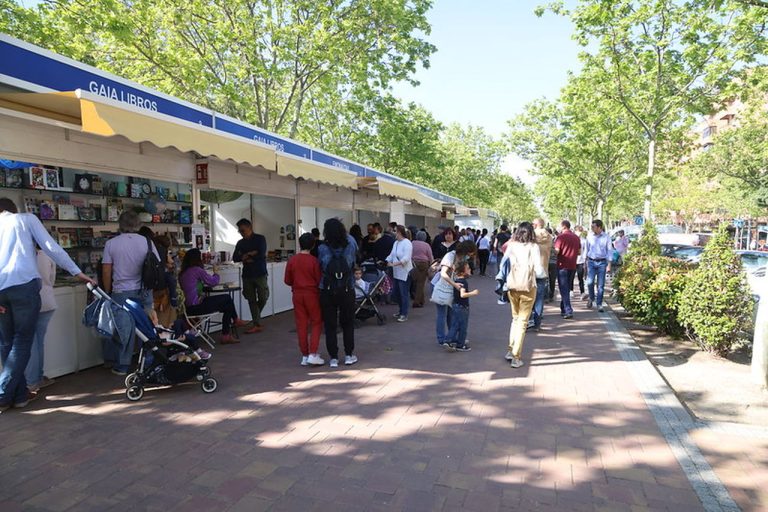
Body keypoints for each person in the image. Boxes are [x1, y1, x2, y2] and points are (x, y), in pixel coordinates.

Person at [0, 198, 95, 412]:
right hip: (24, 286)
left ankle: (20, 394)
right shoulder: (25, 219)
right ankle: (3, 393)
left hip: (1, 290)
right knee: (22, 342)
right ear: (13, 210)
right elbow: (51, 247)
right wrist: (78, 273)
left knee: (6, 343)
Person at [102, 210, 160, 375]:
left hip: (121, 291)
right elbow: (156, 266)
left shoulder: (111, 244)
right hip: (145, 289)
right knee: (147, 326)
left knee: (124, 330)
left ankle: (122, 365)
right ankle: (148, 362)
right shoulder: (147, 242)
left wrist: (108, 291)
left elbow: (106, 270)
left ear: (120, 224)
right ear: (138, 224)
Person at [179, 248, 246, 344]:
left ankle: (229, 331)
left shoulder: (183, 273)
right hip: (196, 306)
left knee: (227, 305)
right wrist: (216, 273)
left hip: (188, 308)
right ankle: (232, 324)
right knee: (227, 299)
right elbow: (213, 282)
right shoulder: (196, 270)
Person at [503, 222, 547, 369]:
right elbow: (538, 269)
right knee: (522, 322)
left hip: (512, 285)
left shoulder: (512, 245)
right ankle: (516, 356)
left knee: (514, 320)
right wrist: (543, 275)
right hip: (528, 286)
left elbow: (505, 262)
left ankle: (510, 350)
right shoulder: (533, 247)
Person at [318, 218, 358, 368]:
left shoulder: (322, 247)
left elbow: (320, 265)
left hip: (327, 290)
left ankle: (333, 358)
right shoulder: (350, 244)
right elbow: (354, 261)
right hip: (347, 288)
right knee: (348, 323)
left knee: (330, 325)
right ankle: (349, 355)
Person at [285, 233, 324, 367]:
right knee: (316, 322)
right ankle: (313, 353)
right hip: (311, 293)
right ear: (313, 245)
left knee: (301, 324)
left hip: (297, 293)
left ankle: (305, 355)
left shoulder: (292, 260)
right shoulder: (314, 261)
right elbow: (319, 280)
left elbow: (287, 280)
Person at [24, 249, 57, 392]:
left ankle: (31, 382)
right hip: (48, 300)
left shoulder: (21, 254)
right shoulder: (47, 254)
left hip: (29, 302)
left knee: (31, 343)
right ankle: (38, 377)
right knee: (38, 342)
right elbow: (52, 278)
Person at [434, 241, 476, 346]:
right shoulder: (450, 256)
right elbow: (443, 273)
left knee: (451, 315)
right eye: (469, 254)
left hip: (452, 289)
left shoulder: (461, 258)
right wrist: (455, 284)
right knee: (442, 315)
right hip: (443, 288)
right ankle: (442, 339)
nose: (470, 256)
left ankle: (451, 337)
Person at [233, 218, 269, 334]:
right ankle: (256, 323)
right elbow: (235, 258)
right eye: (240, 231)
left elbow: (261, 254)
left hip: (260, 273)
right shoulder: (240, 243)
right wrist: (251, 254)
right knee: (251, 299)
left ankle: (256, 319)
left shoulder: (260, 239)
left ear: (250, 228)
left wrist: (246, 255)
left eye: (243, 230)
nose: (241, 233)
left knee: (263, 296)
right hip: (247, 274)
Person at [443, 260, 479, 352]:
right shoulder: (463, 282)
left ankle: (448, 340)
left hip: (455, 305)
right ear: (463, 272)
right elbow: (463, 295)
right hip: (463, 307)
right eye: (467, 268)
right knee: (463, 326)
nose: (469, 269)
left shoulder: (456, 280)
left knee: (455, 324)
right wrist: (473, 293)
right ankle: (460, 344)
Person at [554, 220, 581, 319]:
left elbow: (556, 251)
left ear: (563, 227)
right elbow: (579, 252)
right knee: (567, 287)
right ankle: (563, 308)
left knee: (563, 289)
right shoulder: (576, 237)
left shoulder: (560, 237)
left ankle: (568, 310)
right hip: (572, 265)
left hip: (562, 265)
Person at [386, 225, 414, 322]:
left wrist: (393, 264)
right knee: (396, 293)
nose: (394, 233)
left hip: (405, 272)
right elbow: (392, 254)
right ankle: (401, 310)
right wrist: (386, 260)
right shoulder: (396, 243)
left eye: (395, 231)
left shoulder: (407, 243)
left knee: (403, 293)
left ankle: (404, 313)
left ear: (399, 232)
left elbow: (406, 258)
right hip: (396, 272)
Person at [585, 219, 613, 312]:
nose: (592, 228)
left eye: (593, 227)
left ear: (599, 227)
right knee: (590, 282)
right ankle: (591, 297)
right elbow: (587, 249)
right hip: (591, 262)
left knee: (600, 285)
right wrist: (585, 261)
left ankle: (599, 303)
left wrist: (609, 264)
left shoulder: (606, 237)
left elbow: (609, 251)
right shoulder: (589, 236)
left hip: (602, 262)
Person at [532, 218, 553, 331]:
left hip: (531, 270)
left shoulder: (531, 237)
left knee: (529, 296)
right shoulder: (549, 237)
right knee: (539, 298)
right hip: (543, 270)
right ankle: (537, 323)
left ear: (536, 225)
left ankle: (529, 320)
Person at [410, 231, 433, 308]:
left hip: (414, 263)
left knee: (416, 282)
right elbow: (430, 256)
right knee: (421, 283)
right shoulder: (426, 245)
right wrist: (432, 265)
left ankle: (421, 300)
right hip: (424, 264)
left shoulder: (412, 243)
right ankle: (416, 302)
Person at [574, 226, 587, 299]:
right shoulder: (572, 239)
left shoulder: (583, 240)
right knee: (571, 277)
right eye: (578, 231)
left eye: (580, 231)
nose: (579, 233)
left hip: (581, 261)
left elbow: (585, 251)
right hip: (572, 260)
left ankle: (582, 292)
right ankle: (571, 290)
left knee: (580, 277)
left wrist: (584, 259)